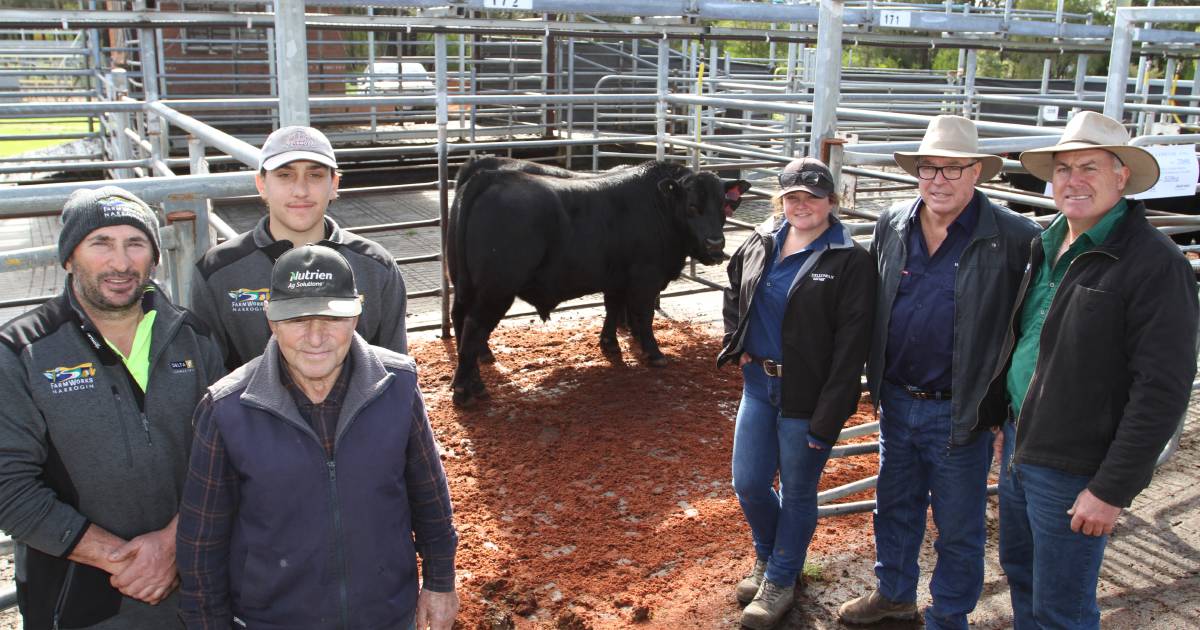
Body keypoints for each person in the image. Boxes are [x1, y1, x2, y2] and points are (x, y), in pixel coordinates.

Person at [978, 111, 1198, 629]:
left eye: (1090, 167)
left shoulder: (1154, 263)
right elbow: (1026, 338)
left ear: (1122, 176)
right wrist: (1001, 417)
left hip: (1076, 465)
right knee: (1024, 576)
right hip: (1022, 444)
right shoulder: (1047, 243)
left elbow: (1163, 389)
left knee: (1064, 606)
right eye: (1063, 168)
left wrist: (1111, 490)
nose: (1073, 180)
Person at [177, 244, 459, 629]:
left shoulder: (397, 386)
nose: (315, 337)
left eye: (332, 318)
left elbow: (429, 497)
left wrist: (441, 582)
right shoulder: (227, 410)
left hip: (385, 615)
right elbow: (201, 546)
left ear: (356, 316)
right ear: (271, 322)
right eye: (296, 320)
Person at [837, 115, 1040, 629]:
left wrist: (1002, 406)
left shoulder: (1015, 238)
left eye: (953, 169)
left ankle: (949, 615)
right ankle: (894, 593)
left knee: (959, 523)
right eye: (929, 168)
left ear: (977, 172)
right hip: (898, 398)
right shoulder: (893, 223)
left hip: (962, 409)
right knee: (894, 505)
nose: (938, 180)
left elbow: (1026, 325)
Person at [0, 186, 224, 629]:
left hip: (196, 590)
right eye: (101, 242)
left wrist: (173, 545)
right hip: (80, 598)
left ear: (154, 257)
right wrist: (123, 561)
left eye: (135, 243)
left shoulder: (194, 338)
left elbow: (229, 456)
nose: (120, 263)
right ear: (69, 256)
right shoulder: (21, 351)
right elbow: (8, 487)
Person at [718, 158, 877, 629]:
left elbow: (853, 346)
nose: (802, 204)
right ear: (780, 200)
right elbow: (734, 290)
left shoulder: (850, 259)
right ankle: (769, 560)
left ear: (832, 201)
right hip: (758, 385)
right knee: (747, 482)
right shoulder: (761, 240)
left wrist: (830, 414)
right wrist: (737, 341)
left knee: (798, 489)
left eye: (812, 195)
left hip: (809, 393)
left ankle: (781, 579)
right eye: (792, 196)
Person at [191, 125, 408, 371]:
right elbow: (211, 379)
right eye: (285, 175)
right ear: (261, 184)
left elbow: (395, 371)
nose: (301, 191)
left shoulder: (376, 266)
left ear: (334, 183)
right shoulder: (218, 271)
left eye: (314, 175)